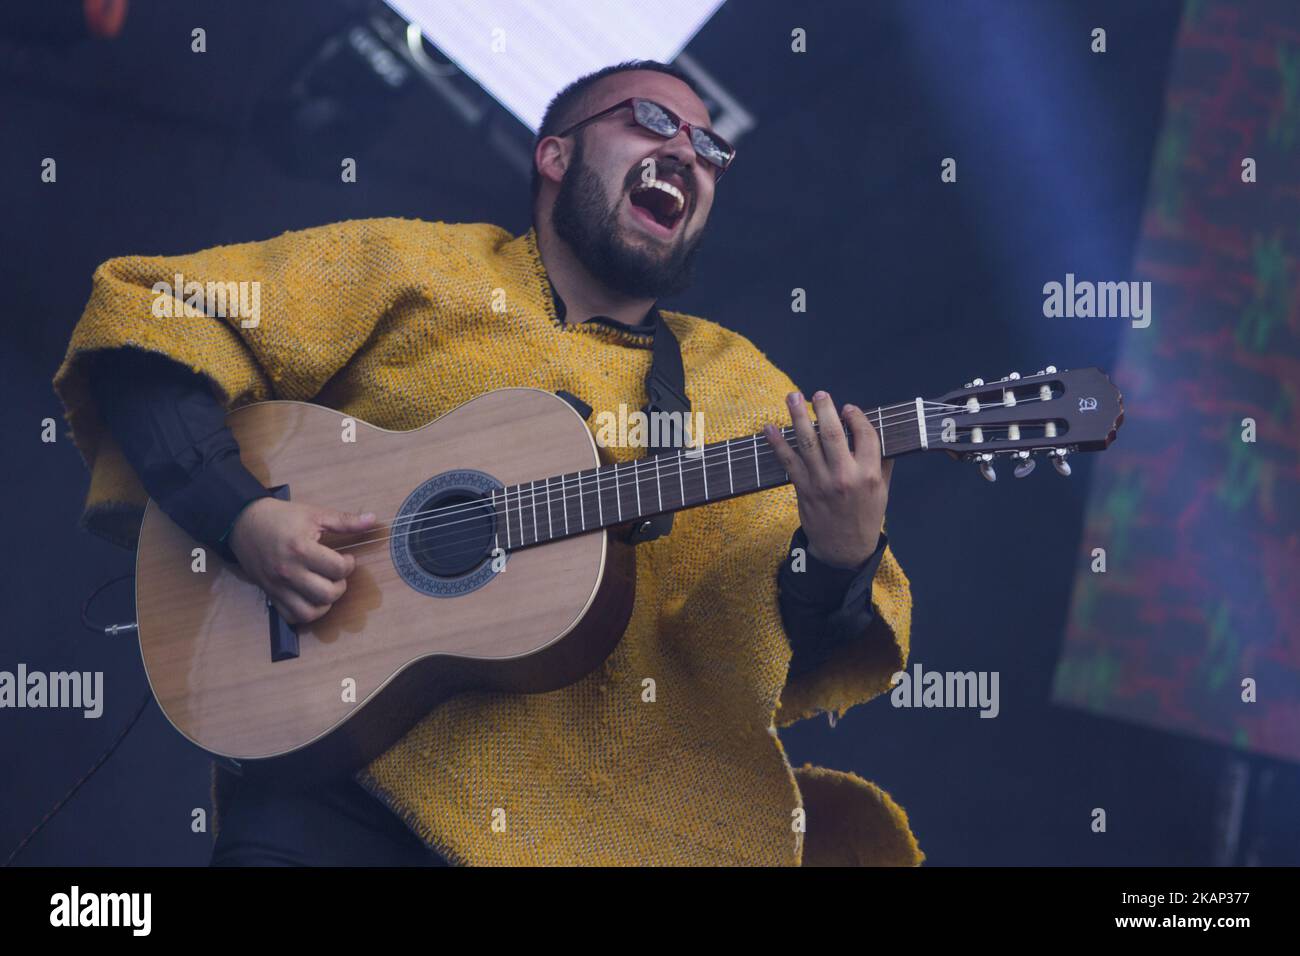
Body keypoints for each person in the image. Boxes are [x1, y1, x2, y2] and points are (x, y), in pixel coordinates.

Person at [53, 60, 922, 866]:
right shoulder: (412, 265)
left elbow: (788, 645)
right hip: (334, 796)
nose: (685, 154)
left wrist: (843, 558)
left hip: (605, 833)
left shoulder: (749, 393)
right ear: (555, 153)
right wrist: (242, 516)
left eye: (709, 147)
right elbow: (151, 316)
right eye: (652, 120)